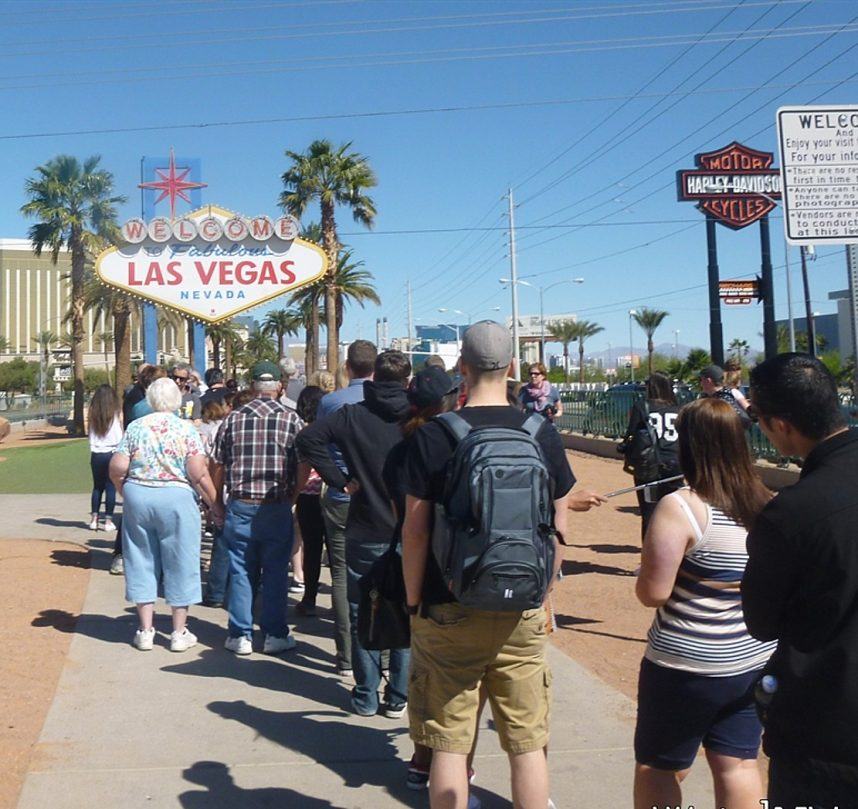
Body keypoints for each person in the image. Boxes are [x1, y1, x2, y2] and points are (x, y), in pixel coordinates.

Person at [401, 321, 591, 809]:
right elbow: (558, 521)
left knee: (449, 740)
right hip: (522, 607)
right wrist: (544, 590)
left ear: (461, 367)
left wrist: (414, 600)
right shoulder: (539, 431)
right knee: (527, 743)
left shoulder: (436, 435)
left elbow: (416, 531)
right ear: (510, 367)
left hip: (449, 604)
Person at [633, 397, 775, 809]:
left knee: (657, 767)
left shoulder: (681, 507)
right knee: (739, 764)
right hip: (750, 656)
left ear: (689, 445)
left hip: (686, 665)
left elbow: (652, 593)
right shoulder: (767, 501)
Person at [742, 353, 858, 806]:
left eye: (759, 418)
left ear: (781, 425)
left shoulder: (791, 513)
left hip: (826, 734)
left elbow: (762, 621)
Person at [297, 350, 412, 717]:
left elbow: (309, 440)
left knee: (365, 609)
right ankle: (398, 695)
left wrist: (341, 481)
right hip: (412, 528)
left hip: (365, 523)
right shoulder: (418, 416)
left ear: (374, 379)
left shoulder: (352, 415)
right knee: (405, 611)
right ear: (407, 381)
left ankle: (366, 694)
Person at [383, 364, 460, 790]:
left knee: (422, 666)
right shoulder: (457, 442)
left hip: (412, 562)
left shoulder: (401, 449)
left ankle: (421, 757)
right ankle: (449, 764)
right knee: (456, 677)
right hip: (455, 568)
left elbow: (405, 519)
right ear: (450, 400)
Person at [108, 377, 221, 652]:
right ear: (177, 399)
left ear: (150, 399)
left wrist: (124, 490)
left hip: (139, 495)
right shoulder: (185, 429)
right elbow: (198, 472)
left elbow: (117, 465)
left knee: (140, 558)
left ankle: (145, 630)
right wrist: (215, 503)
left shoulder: (136, 427)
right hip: (176, 497)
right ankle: (178, 631)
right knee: (180, 560)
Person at [211, 361, 304, 656]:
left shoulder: (233, 419)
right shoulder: (291, 419)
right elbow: (304, 463)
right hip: (276, 504)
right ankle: (274, 633)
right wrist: (294, 495)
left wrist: (216, 501)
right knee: (276, 571)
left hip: (241, 502)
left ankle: (240, 634)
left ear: (252, 386)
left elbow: (217, 463)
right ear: (279, 386)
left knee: (241, 570)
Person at [313, 339, 378, 678]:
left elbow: (316, 444)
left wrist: (336, 478)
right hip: (379, 501)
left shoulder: (331, 402)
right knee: (379, 571)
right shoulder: (387, 401)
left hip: (340, 497)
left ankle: (347, 656)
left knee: (340, 571)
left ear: (348, 368)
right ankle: (379, 654)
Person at [621, 372, 683, 539]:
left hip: (649, 466)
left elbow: (631, 434)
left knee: (649, 512)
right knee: (676, 511)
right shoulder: (680, 408)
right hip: (676, 465)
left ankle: (649, 558)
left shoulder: (642, 406)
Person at [293, 386, 328, 617]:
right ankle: (341, 602)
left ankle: (309, 598)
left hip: (307, 494)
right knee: (336, 552)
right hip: (330, 494)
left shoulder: (300, 433)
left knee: (312, 548)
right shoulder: (331, 429)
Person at [199, 397, 231, 608]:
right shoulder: (223, 427)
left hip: (228, 491)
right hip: (252, 494)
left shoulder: (224, 427)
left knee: (222, 543)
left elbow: (213, 463)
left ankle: (216, 593)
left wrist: (213, 496)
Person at [87, 384, 122, 534]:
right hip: (112, 452)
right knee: (110, 487)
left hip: (96, 454)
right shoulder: (116, 412)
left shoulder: (92, 413)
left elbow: (89, 432)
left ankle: (94, 520)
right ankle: (108, 521)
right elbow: (120, 432)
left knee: (97, 487)